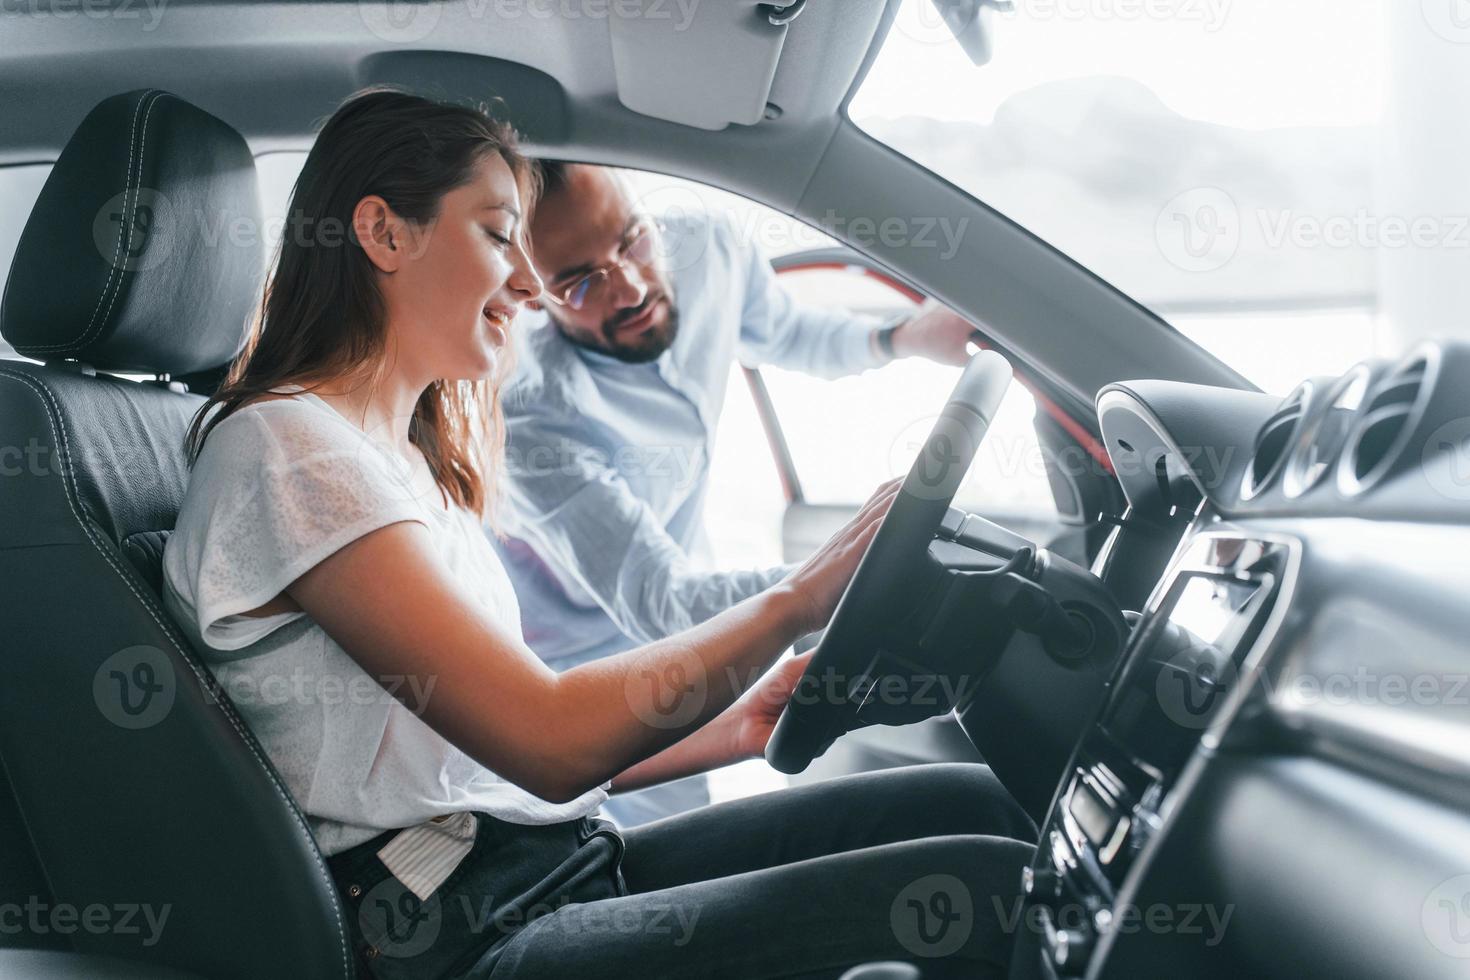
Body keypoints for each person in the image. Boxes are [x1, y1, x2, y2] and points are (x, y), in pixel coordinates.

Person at [163, 88, 1034, 980]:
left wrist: (747, 718)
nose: (531, 284)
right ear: (385, 235)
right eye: (501, 237)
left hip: (551, 864)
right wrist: (799, 597)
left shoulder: (401, 462)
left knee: (974, 807)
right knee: (987, 889)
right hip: (463, 930)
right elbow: (546, 740)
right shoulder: (291, 451)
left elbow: (492, 763)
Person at [497, 162, 984, 822]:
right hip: (581, 678)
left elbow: (784, 331)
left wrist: (901, 336)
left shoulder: (708, 245)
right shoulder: (531, 421)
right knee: (635, 859)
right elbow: (664, 604)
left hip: (679, 623)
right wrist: (842, 579)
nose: (631, 286)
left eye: (632, 238)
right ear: (534, 297)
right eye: (581, 281)